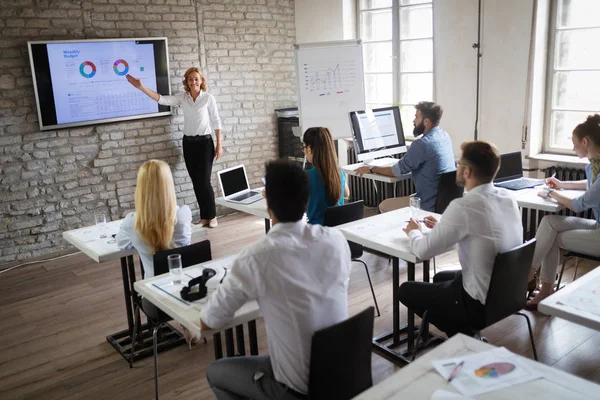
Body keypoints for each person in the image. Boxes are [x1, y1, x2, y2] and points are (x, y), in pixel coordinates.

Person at [199, 160, 351, 400]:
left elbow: (209, 321)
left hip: (298, 388)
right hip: (341, 374)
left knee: (216, 372)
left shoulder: (257, 257)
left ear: (267, 203)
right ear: (307, 199)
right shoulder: (336, 240)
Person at [398, 141, 522, 337]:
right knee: (439, 278)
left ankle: (465, 336)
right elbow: (482, 236)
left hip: (478, 305)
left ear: (467, 172)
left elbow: (422, 251)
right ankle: (464, 333)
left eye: (459, 164)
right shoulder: (509, 198)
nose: (456, 166)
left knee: (405, 290)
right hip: (507, 294)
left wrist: (413, 231)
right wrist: (443, 228)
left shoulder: (464, 206)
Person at [126, 67, 222, 228]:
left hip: (205, 143)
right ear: (187, 82)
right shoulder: (183, 98)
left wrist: (219, 145)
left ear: (201, 81)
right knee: (196, 182)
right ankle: (204, 217)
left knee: (204, 181)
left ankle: (212, 216)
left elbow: (217, 121)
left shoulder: (208, 98)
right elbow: (162, 99)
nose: (193, 82)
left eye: (196, 79)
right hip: (188, 144)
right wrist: (141, 87)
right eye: (190, 79)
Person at [525, 115, 600, 310]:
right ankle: (534, 276)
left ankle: (536, 282)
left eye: (574, 144)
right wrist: (562, 184)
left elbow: (579, 204)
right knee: (550, 222)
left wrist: (552, 193)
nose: (573, 148)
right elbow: (591, 186)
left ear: (585, 141)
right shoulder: (594, 164)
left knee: (551, 236)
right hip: (597, 225)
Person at [355, 101, 455, 212]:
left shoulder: (421, 144)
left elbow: (395, 171)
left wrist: (371, 168)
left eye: (416, 117)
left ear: (426, 121)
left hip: (426, 204)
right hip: (443, 202)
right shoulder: (444, 136)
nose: (414, 121)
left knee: (384, 205)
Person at [116, 160, 192, 279]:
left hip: (152, 290)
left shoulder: (132, 222)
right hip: (184, 285)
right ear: (169, 184)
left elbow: (122, 244)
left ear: (141, 188)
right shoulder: (183, 214)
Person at [302, 127, 350, 225]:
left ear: (309, 149)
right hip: (337, 232)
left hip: (316, 234)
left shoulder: (306, 177)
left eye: (303, 147)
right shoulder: (339, 172)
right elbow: (346, 194)